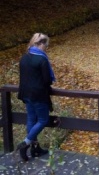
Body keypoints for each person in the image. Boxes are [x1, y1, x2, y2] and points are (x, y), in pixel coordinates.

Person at [16, 33, 56, 162]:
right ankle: (26, 143)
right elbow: (47, 80)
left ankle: (35, 149)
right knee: (43, 120)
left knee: (31, 120)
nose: (46, 48)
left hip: (26, 94)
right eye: (46, 45)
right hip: (38, 95)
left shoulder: (24, 57)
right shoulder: (42, 59)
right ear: (40, 44)